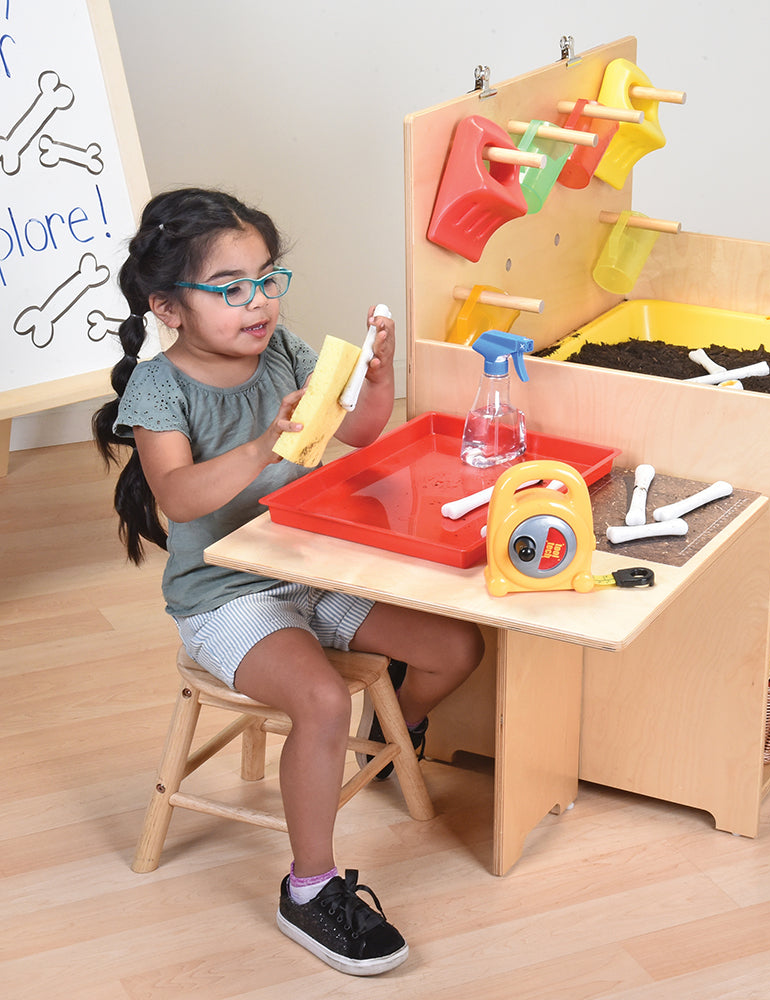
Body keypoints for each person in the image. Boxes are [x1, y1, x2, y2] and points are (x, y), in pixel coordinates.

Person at [93, 188, 484, 977]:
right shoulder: (159, 388)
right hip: (225, 594)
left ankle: (389, 733)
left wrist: (379, 373)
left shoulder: (283, 350)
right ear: (168, 305)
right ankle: (310, 889)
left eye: (268, 278)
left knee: (455, 647)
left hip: (305, 564)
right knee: (321, 700)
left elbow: (362, 431)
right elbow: (179, 496)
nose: (259, 301)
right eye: (231, 287)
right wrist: (270, 439)